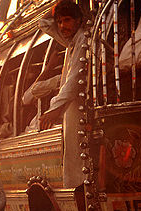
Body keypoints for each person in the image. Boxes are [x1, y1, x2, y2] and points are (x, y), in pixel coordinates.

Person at [39, 0, 87, 188]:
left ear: (79, 20)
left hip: (80, 110)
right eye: (59, 21)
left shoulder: (82, 39)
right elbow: (44, 23)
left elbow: (74, 79)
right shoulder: (71, 42)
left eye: (67, 20)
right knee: (75, 164)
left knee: (80, 168)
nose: (61, 26)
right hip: (71, 111)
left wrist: (54, 108)